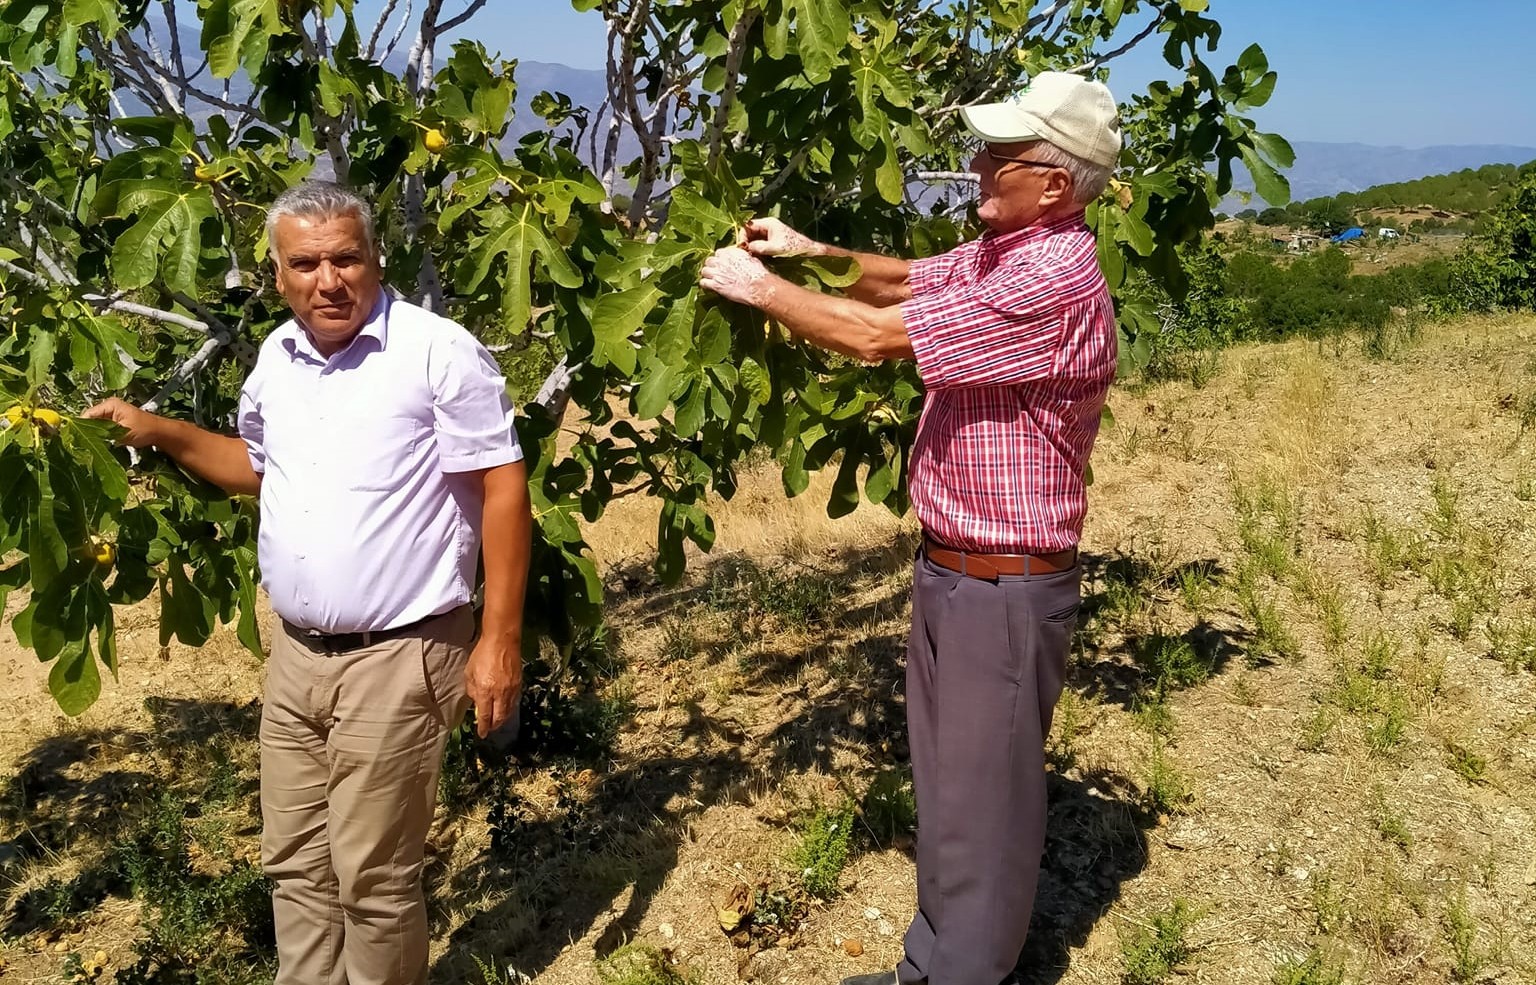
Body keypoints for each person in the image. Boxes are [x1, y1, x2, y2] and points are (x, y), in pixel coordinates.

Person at [698, 72, 1122, 985]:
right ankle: (928, 966)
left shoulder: (1046, 277)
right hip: (958, 569)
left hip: (1001, 582)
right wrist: (806, 249)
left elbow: (872, 334)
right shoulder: (1009, 248)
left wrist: (757, 289)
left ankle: (969, 973)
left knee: (984, 805)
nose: (976, 164)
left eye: (997, 154)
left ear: (1054, 180)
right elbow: (901, 279)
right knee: (948, 788)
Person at [86, 181, 531, 985]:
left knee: (372, 875)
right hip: (297, 658)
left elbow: (503, 484)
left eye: (345, 258)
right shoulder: (275, 359)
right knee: (294, 862)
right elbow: (256, 466)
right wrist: (159, 431)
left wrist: (499, 637)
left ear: (375, 258)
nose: (329, 279)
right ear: (278, 274)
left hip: (401, 653)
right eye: (306, 263)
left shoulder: (437, 351)